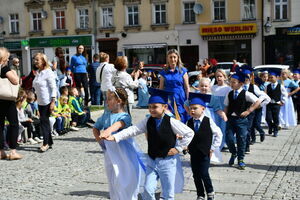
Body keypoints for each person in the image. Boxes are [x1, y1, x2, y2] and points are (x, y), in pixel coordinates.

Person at [103, 88, 194, 200]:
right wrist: (116, 137)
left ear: (164, 107)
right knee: (148, 189)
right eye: (149, 107)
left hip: (167, 162)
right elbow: (134, 130)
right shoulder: (148, 121)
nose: (151, 110)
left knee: (167, 192)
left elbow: (189, 133)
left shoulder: (171, 121)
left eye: (155, 107)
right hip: (152, 161)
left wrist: (178, 148)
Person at [93, 88, 144, 200]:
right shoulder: (106, 115)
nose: (107, 102)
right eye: (106, 99)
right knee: (112, 176)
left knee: (125, 175)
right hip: (110, 151)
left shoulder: (125, 116)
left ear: (119, 101)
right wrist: (101, 141)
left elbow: (118, 125)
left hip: (124, 151)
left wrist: (108, 131)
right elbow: (96, 128)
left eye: (110, 99)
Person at [187, 92, 222, 200]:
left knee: (204, 173)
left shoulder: (208, 121)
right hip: (193, 153)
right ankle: (200, 194)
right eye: (190, 108)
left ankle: (210, 192)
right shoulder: (189, 122)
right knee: (196, 175)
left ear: (203, 108)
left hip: (204, 152)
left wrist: (212, 148)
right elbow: (186, 135)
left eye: (195, 108)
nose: (192, 110)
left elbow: (218, 134)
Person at [224, 72, 261, 170]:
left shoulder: (246, 94)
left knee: (241, 139)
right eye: (230, 82)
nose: (231, 84)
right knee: (229, 138)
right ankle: (233, 153)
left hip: (241, 120)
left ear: (241, 84)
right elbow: (226, 106)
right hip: (231, 119)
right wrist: (225, 116)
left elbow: (257, 101)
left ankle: (241, 159)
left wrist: (249, 111)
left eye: (234, 82)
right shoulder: (229, 93)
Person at [240, 67, 270, 153]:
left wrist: (259, 105)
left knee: (248, 128)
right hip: (240, 111)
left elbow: (266, 97)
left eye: (247, 76)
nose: (245, 78)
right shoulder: (239, 86)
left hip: (250, 111)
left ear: (250, 77)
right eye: (244, 76)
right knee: (241, 129)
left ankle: (246, 146)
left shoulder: (254, 87)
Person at [0, 47, 22, 160]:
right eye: (7, 58)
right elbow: (15, 80)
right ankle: (13, 151)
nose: (8, 60)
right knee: (14, 124)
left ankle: (1, 151)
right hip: (7, 100)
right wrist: (13, 72)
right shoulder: (4, 68)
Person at [32, 53, 57, 152]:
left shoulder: (48, 72)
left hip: (47, 101)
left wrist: (53, 101)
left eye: (37, 60)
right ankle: (49, 142)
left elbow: (53, 87)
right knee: (44, 121)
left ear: (43, 61)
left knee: (44, 122)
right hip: (40, 101)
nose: (35, 61)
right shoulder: (38, 72)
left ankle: (45, 143)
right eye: (35, 59)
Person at [159, 49, 190, 122]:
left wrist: (188, 100)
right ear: (167, 58)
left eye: (174, 57)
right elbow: (161, 88)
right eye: (170, 57)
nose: (172, 59)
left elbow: (187, 88)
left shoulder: (183, 71)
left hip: (181, 98)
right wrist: (160, 101)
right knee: (170, 118)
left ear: (178, 58)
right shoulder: (164, 72)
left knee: (182, 118)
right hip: (169, 98)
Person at [211, 69, 231, 150]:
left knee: (224, 126)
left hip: (224, 110)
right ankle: (216, 143)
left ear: (224, 77)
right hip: (215, 110)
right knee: (216, 126)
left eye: (220, 76)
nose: (218, 78)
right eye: (217, 76)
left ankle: (224, 143)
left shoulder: (228, 88)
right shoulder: (213, 87)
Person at [265, 71, 288, 137]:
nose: (270, 78)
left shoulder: (280, 86)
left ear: (276, 78)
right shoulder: (267, 86)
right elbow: (265, 94)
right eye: (269, 77)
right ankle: (270, 126)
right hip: (269, 104)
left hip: (276, 104)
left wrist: (282, 101)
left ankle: (275, 130)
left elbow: (285, 94)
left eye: (272, 77)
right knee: (268, 118)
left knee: (275, 118)